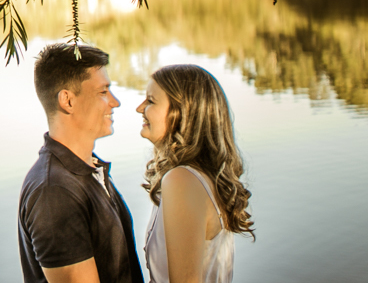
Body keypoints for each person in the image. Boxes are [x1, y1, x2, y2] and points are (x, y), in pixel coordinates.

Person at [19, 42, 144, 283]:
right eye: (102, 92)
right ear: (68, 101)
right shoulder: (54, 192)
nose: (115, 102)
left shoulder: (88, 169)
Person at [136, 64, 254, 283]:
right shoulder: (199, 178)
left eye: (151, 101)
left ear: (181, 113)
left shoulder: (182, 181)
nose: (139, 108)